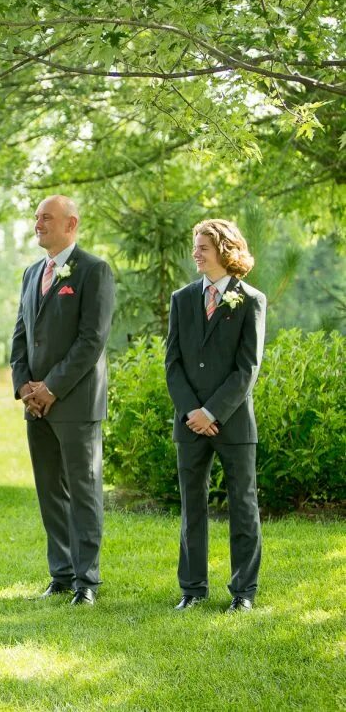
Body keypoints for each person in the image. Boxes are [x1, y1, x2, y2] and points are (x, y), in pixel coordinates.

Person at [10, 195, 116, 606]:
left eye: (47, 218)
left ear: (70, 224)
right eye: (36, 217)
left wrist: (51, 388)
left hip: (75, 402)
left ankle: (87, 580)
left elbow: (92, 340)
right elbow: (20, 335)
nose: (38, 224)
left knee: (83, 491)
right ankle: (62, 573)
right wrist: (24, 387)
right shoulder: (31, 273)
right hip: (35, 405)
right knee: (50, 491)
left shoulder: (94, 271)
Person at [165, 220, 266, 613]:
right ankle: (192, 589)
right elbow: (172, 362)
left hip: (233, 422)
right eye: (194, 246)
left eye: (202, 246)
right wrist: (192, 410)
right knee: (192, 506)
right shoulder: (182, 298)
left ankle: (243, 592)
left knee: (243, 504)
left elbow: (247, 369)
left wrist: (212, 411)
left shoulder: (252, 300)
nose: (195, 253)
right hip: (189, 422)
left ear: (224, 249)